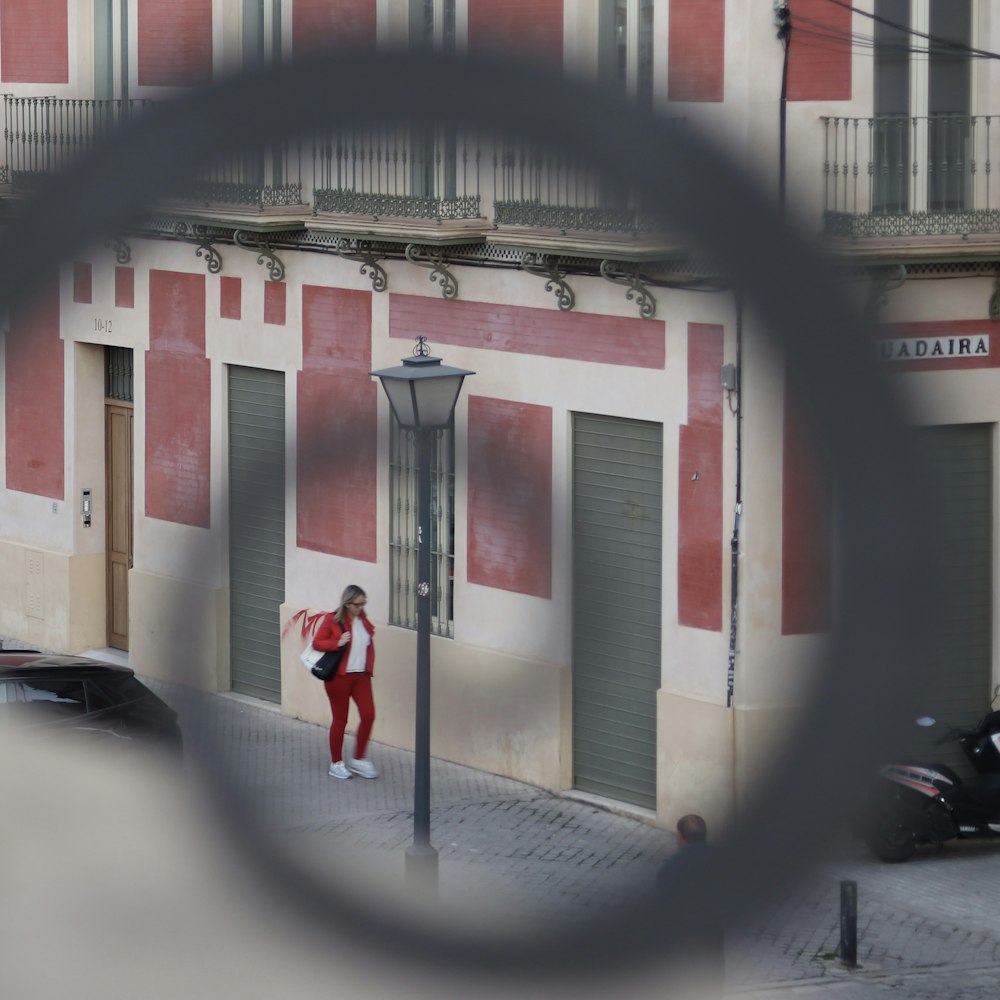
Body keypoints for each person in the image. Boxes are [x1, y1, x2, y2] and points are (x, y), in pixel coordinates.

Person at [312, 584, 378, 780]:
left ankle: (358, 759)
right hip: (339, 678)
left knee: (369, 715)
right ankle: (336, 763)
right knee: (340, 720)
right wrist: (337, 643)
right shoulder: (332, 620)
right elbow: (317, 643)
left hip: (361, 677)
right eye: (358, 604)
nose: (361, 607)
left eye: (363, 603)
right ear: (348, 604)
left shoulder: (363, 620)